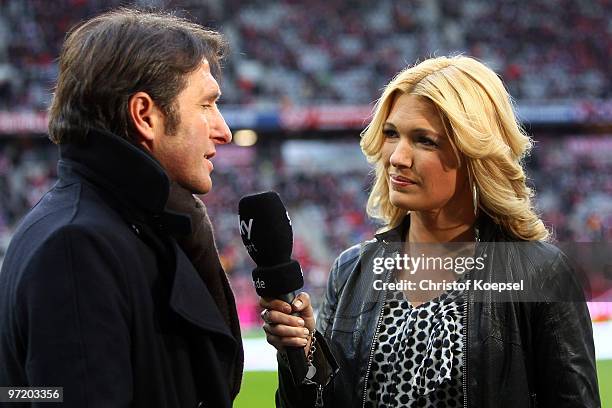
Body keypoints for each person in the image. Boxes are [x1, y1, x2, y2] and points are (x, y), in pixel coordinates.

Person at [260, 56, 600, 407]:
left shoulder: (539, 272)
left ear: (474, 153)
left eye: (424, 140)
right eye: (392, 134)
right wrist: (299, 354)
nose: (397, 157)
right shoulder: (351, 272)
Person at [0, 8, 243, 408]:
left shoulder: (133, 224)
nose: (224, 129)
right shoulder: (77, 246)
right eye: (206, 105)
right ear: (145, 114)